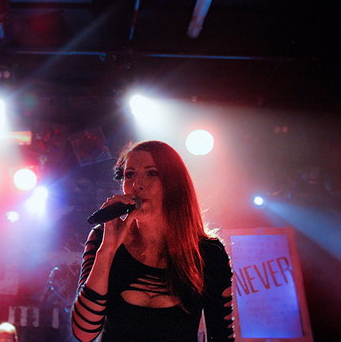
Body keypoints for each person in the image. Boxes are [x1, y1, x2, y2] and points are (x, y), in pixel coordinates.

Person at [71, 141, 234, 341]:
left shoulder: (208, 252)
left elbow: (222, 336)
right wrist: (107, 251)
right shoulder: (103, 239)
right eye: (130, 174)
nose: (136, 184)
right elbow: (83, 333)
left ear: (174, 185)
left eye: (152, 173)